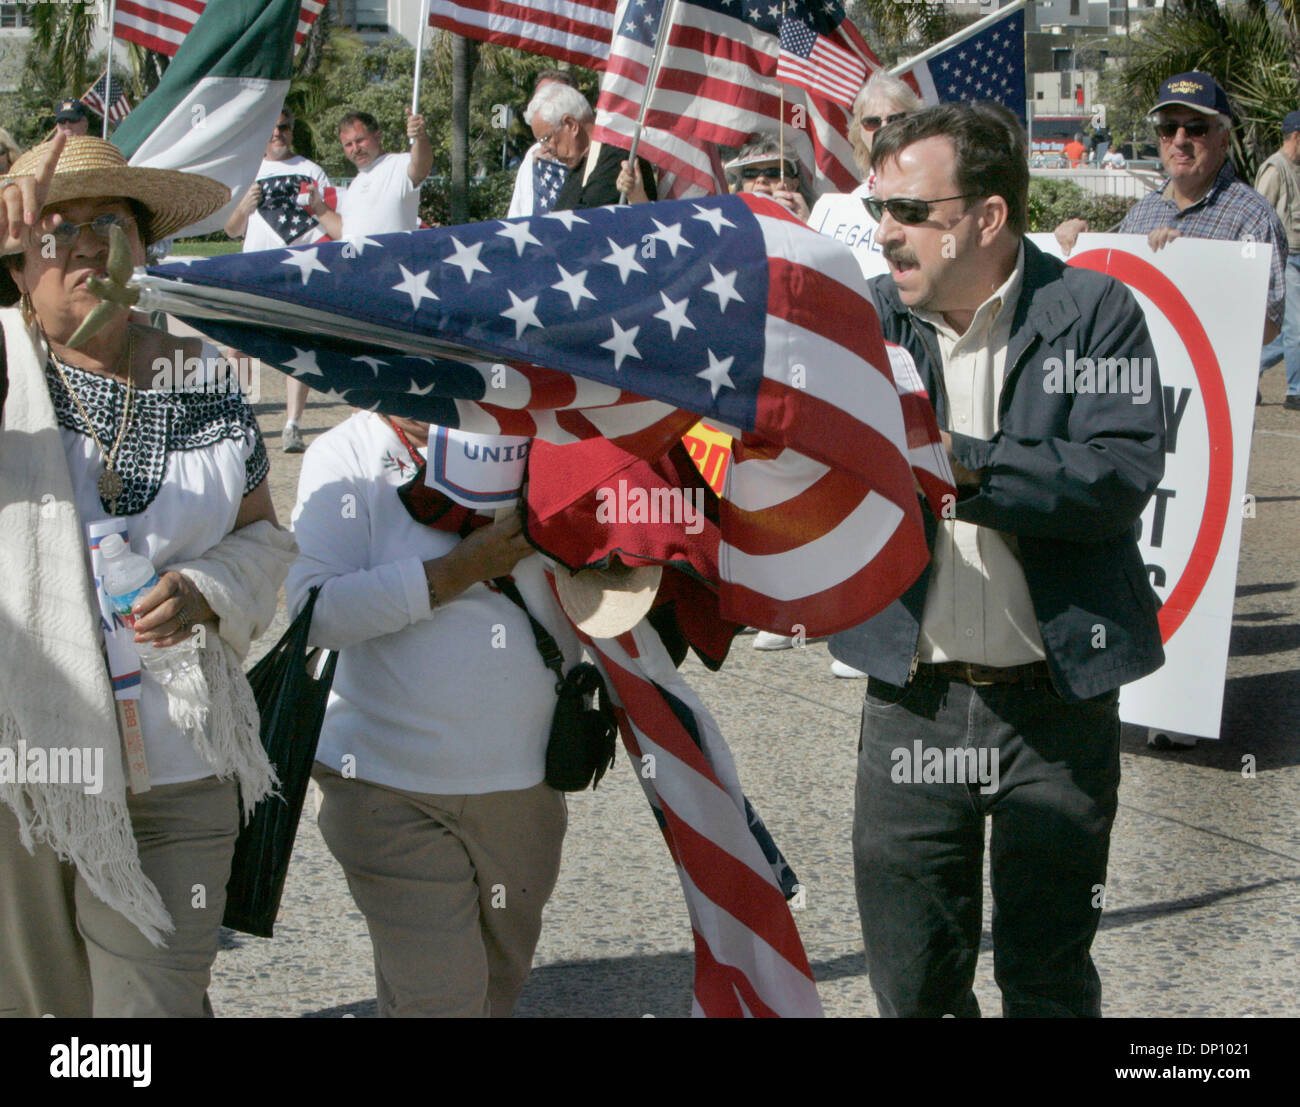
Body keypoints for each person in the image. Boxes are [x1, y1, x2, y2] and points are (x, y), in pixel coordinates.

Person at [828, 102, 1166, 1017]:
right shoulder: (862, 322)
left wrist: (963, 463)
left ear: (987, 217)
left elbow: (1119, 473)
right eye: (878, 211)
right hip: (913, 704)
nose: (886, 234)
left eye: (908, 212)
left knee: (1050, 977)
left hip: (1056, 709)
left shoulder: (1092, 311)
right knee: (915, 983)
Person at [0, 134, 297, 1017]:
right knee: (44, 1013)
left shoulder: (197, 370)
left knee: (150, 1006)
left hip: (182, 761)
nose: (88, 247)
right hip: (27, 772)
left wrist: (209, 590)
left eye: (110, 225)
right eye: (57, 231)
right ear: (18, 264)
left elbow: (262, 537)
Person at [287, 413, 573, 1017]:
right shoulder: (349, 452)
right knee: (441, 1000)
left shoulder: (547, 439)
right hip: (383, 782)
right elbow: (314, 611)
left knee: (492, 992)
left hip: (525, 783)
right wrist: (457, 571)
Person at [1057, 73, 1285, 345]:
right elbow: (1114, 301)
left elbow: (1269, 329)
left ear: (1223, 140)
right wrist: (1079, 247)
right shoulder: (1142, 213)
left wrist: (1187, 265)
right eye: (1168, 128)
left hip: (1212, 386)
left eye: (1196, 128)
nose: (1179, 140)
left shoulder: (1252, 216)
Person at [225, 107, 332, 453]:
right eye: (271, 130)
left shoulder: (311, 171)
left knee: (298, 349)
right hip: (254, 271)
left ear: (292, 129)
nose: (277, 135)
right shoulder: (248, 171)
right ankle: (241, 416)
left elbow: (330, 222)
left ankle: (292, 425)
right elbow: (231, 230)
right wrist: (244, 207)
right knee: (238, 347)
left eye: (283, 128)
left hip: (298, 270)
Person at [806, 70, 923, 280]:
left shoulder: (934, 196)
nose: (884, 129)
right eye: (872, 122)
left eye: (896, 119)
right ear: (858, 130)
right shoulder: (832, 210)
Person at [527, 82, 656, 211]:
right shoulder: (578, 167)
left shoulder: (619, 157)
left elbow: (584, 219)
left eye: (546, 139)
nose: (544, 149)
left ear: (571, 124)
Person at [314, 109, 432, 239]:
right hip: (358, 259)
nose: (356, 149)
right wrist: (317, 206)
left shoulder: (400, 164)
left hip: (395, 257)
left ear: (378, 136)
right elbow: (347, 235)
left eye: (360, 140)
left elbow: (421, 166)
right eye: (348, 145)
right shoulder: (354, 186)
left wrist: (420, 138)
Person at [1255, 109, 1300, 411]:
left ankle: (1248, 370)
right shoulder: (1275, 169)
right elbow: (1259, 213)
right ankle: (1296, 391)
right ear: (1296, 137)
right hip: (1286, 259)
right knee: (1296, 328)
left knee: (1289, 332)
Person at [507, 69, 577, 218]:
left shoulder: (593, 155)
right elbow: (516, 214)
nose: (543, 106)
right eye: (539, 99)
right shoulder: (532, 158)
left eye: (553, 99)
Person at [724, 134, 813, 221]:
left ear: (794, 185)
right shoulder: (727, 224)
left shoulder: (816, 222)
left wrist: (804, 224)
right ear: (742, 184)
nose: (761, 179)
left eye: (772, 172)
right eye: (750, 173)